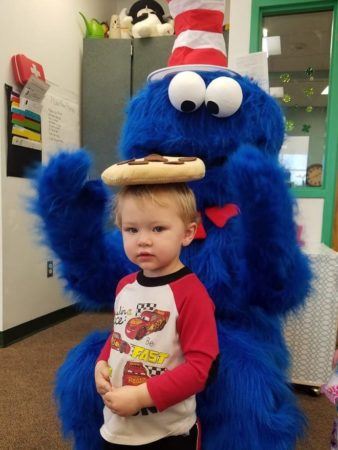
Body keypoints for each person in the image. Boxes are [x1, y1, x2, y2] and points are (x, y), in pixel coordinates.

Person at [94, 182, 219, 450]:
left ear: (187, 233)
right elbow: (118, 335)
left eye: (158, 228)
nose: (143, 240)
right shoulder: (125, 286)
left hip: (167, 434)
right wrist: (101, 363)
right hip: (118, 426)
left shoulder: (191, 294)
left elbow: (200, 370)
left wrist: (141, 397)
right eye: (132, 229)